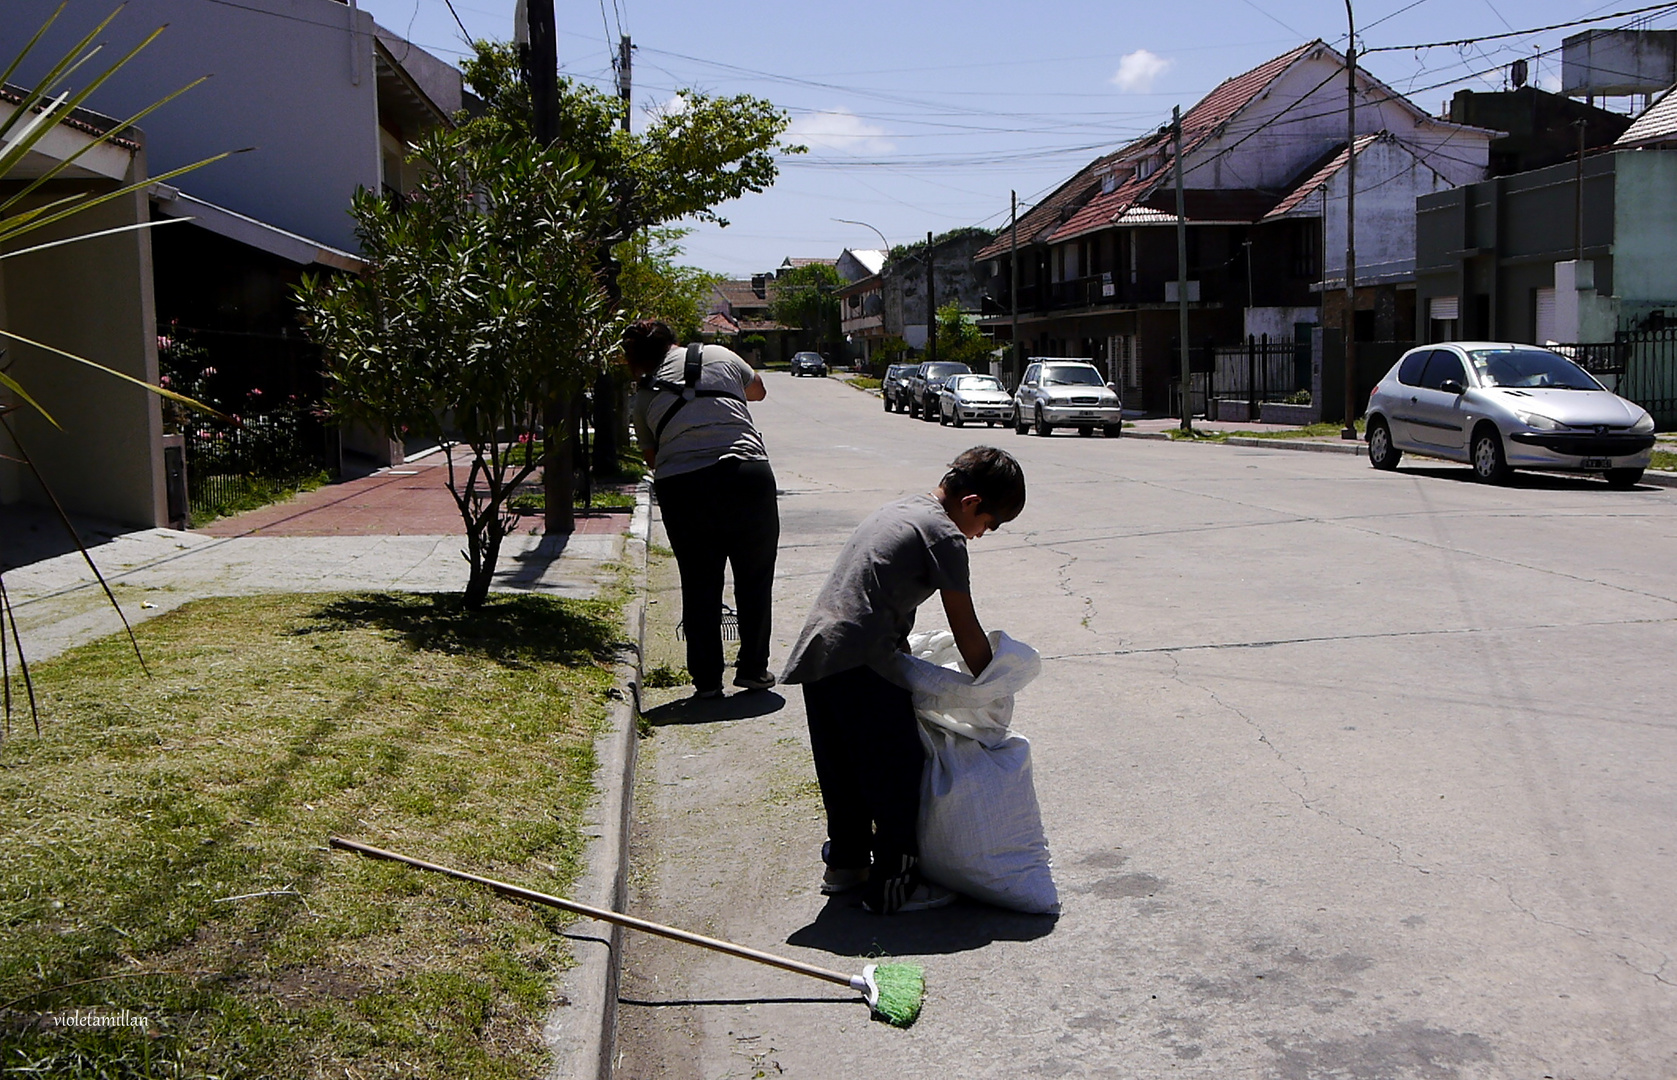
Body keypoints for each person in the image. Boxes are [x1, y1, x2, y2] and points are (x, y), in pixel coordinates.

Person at [781, 446, 1027, 914]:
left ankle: (847, 864)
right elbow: (964, 626)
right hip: (864, 660)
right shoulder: (945, 535)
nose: (981, 535)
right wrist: (992, 686)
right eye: (989, 524)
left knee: (844, 769)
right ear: (972, 503)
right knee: (898, 770)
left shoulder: (905, 508)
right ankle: (895, 885)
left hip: (823, 652)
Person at [625, 320, 779, 699]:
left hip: (684, 486)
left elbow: (652, 458)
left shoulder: (644, 396)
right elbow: (757, 390)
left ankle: (708, 680)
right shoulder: (718, 354)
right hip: (747, 475)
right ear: (674, 341)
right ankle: (754, 669)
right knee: (754, 577)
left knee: (699, 582)